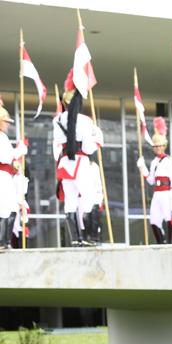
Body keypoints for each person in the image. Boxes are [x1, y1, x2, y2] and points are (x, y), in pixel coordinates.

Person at [53, 82, 104, 247]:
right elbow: (89, 147)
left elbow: (59, 142)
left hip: (65, 164)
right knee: (89, 197)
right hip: (80, 162)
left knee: (70, 201)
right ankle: (90, 237)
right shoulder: (85, 120)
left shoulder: (58, 120)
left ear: (65, 103)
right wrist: (96, 136)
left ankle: (75, 239)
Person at [137, 116, 172, 244]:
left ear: (164, 146)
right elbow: (150, 180)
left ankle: (171, 242)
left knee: (169, 217)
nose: (157, 149)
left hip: (167, 192)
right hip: (157, 193)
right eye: (155, 147)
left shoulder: (170, 161)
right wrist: (142, 167)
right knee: (154, 219)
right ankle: (161, 242)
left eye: (159, 146)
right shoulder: (154, 162)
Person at [0, 103, 29, 249]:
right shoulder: (1, 137)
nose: (7, 125)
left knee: (9, 207)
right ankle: (2, 241)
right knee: (6, 207)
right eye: (5, 121)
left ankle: (5, 241)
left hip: (5, 174)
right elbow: (6, 158)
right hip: (2, 175)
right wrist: (20, 150)